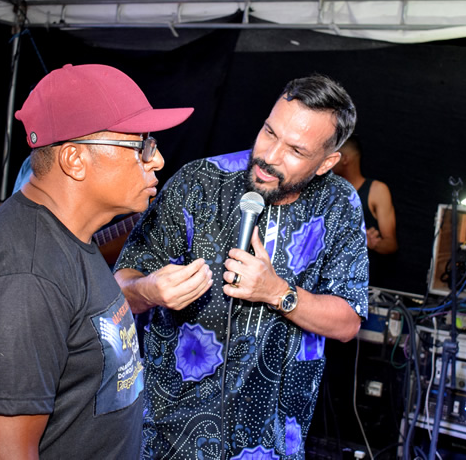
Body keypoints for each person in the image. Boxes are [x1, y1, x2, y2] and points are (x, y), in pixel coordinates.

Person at [0, 64, 193, 459]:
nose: (157, 160)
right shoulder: (23, 276)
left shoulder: (67, 240)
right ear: (74, 159)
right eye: (141, 146)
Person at [115, 74, 368, 459]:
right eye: (269, 132)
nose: (270, 155)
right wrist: (149, 290)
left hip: (271, 444)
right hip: (169, 437)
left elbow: (348, 322)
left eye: (296, 150)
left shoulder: (338, 204)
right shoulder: (199, 182)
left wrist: (277, 293)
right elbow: (120, 286)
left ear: (326, 162)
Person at [332, 134, 398, 256]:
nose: (328, 161)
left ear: (344, 159)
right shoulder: (327, 190)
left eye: (334, 156)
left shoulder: (376, 191)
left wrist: (373, 243)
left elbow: (391, 245)